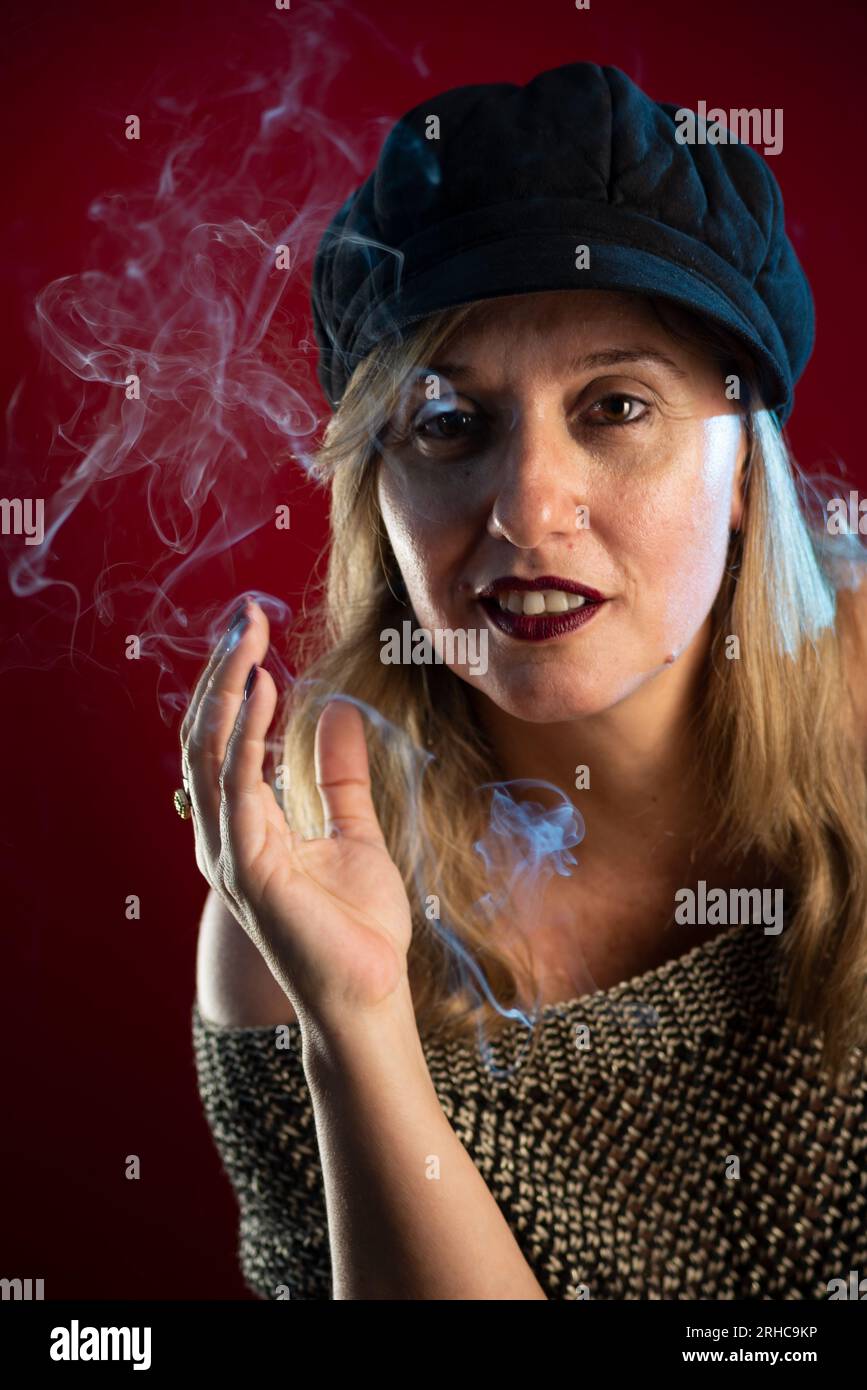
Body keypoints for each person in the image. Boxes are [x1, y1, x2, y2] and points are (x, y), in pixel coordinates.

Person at [183, 62, 867, 1300]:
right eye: (448, 421)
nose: (527, 509)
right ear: (375, 492)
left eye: (615, 405)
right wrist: (360, 1026)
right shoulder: (296, 896)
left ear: (748, 469)